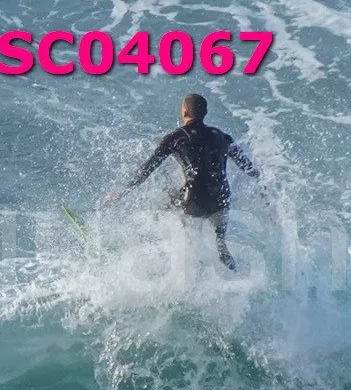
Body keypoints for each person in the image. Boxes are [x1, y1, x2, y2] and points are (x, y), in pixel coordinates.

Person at [108, 92, 257, 269]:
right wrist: (268, 194)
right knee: (221, 245)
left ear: (184, 112)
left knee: (162, 202)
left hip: (192, 202)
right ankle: (236, 273)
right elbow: (249, 168)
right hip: (220, 201)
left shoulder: (175, 138)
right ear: (205, 112)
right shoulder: (222, 137)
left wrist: (121, 192)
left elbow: (146, 169)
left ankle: (158, 256)